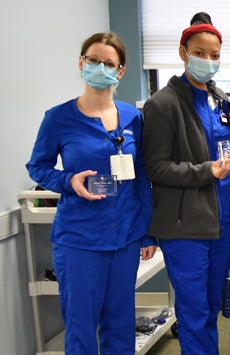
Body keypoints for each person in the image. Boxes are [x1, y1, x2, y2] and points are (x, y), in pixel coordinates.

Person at [26, 32, 155, 355]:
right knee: (81, 328)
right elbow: (38, 168)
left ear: (121, 71)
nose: (100, 68)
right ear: (81, 63)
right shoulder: (58, 118)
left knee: (121, 325)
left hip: (124, 237)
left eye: (109, 63)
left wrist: (147, 233)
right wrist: (69, 181)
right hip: (79, 240)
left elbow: (140, 178)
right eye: (93, 60)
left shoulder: (132, 118)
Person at [142, 12, 230, 354]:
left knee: (211, 305)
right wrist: (204, 171)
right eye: (200, 53)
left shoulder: (222, 101)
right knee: (194, 311)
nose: (208, 61)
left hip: (222, 221)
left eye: (214, 55)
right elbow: (156, 168)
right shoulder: (162, 105)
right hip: (184, 226)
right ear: (183, 52)